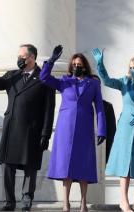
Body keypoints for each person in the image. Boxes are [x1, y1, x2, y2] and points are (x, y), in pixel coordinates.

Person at [0, 44, 55, 211]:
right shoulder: (13, 76)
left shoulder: (44, 79)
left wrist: (45, 134)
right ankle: (9, 202)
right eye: (18, 57)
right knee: (7, 166)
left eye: (22, 57)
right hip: (12, 129)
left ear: (32, 58)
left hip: (32, 131)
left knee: (30, 167)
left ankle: (26, 201)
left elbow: (49, 110)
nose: (19, 60)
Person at [92, 48, 134, 212]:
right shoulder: (125, 82)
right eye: (130, 67)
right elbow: (107, 81)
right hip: (126, 128)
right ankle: (124, 201)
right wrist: (100, 64)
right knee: (125, 165)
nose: (132, 70)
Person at [39, 46, 106, 212]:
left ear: (84, 66)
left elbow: (99, 107)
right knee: (65, 165)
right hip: (65, 128)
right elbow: (43, 77)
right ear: (71, 66)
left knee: (84, 164)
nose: (77, 66)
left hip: (84, 127)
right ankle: (65, 203)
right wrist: (52, 60)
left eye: (80, 64)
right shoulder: (64, 81)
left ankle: (83, 203)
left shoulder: (94, 83)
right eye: (74, 64)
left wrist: (102, 130)